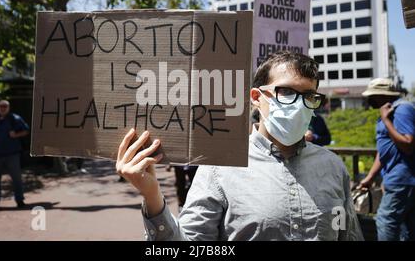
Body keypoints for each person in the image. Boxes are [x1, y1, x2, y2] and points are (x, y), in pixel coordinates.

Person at [115, 52, 363, 240]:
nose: (299, 105)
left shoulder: (332, 167)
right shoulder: (220, 168)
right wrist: (152, 196)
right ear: (257, 98)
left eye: (309, 96)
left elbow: (348, 234)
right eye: (286, 92)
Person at [359, 78, 415, 241]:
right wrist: (370, 177)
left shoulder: (402, 109)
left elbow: (408, 143)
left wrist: (386, 121)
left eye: (372, 96)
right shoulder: (392, 111)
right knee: (406, 226)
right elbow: (385, 151)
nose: (369, 100)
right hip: (397, 178)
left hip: (402, 178)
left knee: (385, 221)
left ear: (382, 95)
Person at [0, 100, 29, 211]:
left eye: (5, 106)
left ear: (9, 107)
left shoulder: (15, 118)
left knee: (16, 179)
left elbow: (26, 130)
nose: (3, 108)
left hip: (12, 154)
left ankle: (20, 201)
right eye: (1, 106)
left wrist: (16, 134)